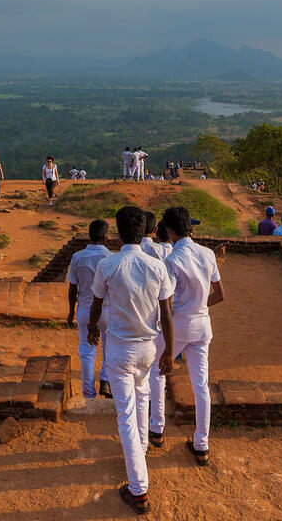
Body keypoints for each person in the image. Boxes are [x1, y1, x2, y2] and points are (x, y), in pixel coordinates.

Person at [88, 206, 174, 515]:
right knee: (142, 400)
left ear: (118, 232)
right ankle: (140, 452)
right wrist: (168, 350)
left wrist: (90, 329)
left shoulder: (109, 264)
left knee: (126, 414)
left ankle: (139, 489)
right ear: (145, 231)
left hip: (120, 348)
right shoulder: (156, 266)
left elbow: (96, 305)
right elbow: (166, 313)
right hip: (149, 347)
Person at [146, 206, 222, 467]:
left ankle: (156, 429)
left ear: (168, 231)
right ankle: (202, 444)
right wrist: (198, 306)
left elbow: (164, 304)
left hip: (178, 325)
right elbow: (220, 294)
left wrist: (179, 316)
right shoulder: (209, 254)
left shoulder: (171, 262)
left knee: (158, 371)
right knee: (201, 385)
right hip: (202, 325)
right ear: (190, 228)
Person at [67, 220, 114, 399]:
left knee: (87, 351)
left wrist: (71, 311)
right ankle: (105, 380)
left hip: (85, 309)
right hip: (107, 310)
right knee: (108, 348)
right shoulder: (111, 257)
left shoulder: (78, 257)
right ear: (105, 236)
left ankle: (88, 393)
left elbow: (72, 288)